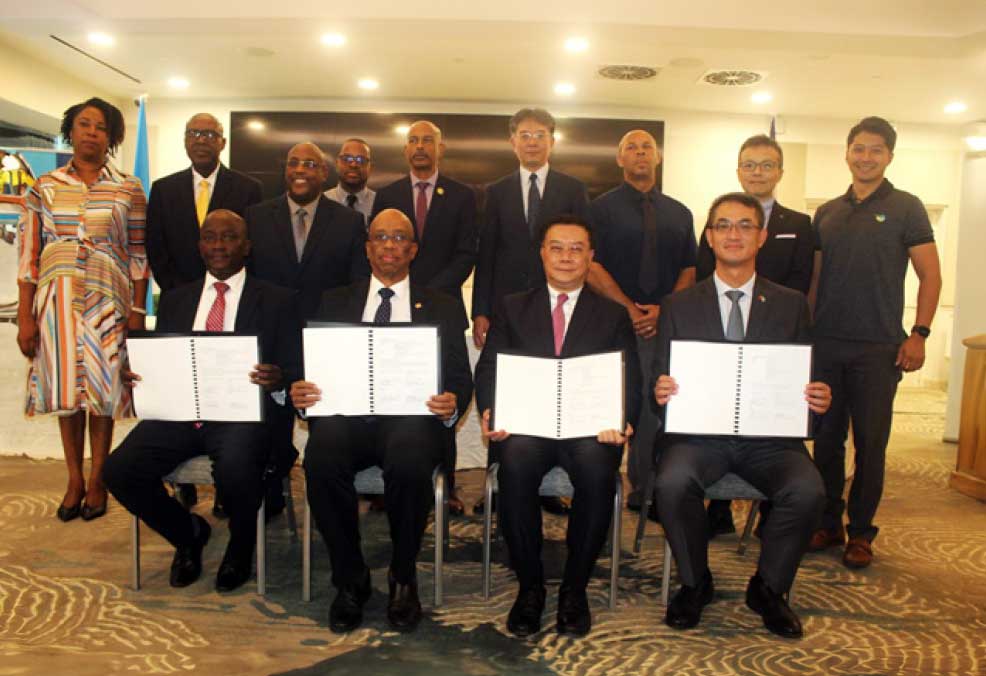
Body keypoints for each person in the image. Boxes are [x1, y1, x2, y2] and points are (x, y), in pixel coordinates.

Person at [652, 192, 830, 638]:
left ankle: (769, 588)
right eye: (724, 225)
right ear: (709, 238)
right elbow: (657, 378)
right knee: (672, 483)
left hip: (770, 441)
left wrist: (817, 399)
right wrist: (661, 390)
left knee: (808, 490)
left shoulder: (791, 305)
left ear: (762, 236)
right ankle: (695, 583)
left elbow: (808, 376)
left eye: (745, 225)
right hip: (699, 438)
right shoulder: (678, 305)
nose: (734, 234)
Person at [291, 209, 472, 634]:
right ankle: (350, 577)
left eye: (400, 238)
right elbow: (310, 370)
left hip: (411, 420)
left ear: (413, 249)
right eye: (381, 237)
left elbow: (460, 376)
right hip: (347, 416)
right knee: (320, 458)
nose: (390, 244)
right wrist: (302, 395)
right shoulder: (334, 301)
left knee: (410, 460)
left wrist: (452, 400)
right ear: (369, 247)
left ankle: (402, 575)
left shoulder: (443, 305)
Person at [105, 210, 300, 591]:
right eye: (210, 238)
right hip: (179, 415)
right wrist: (143, 375)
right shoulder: (176, 300)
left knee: (237, 467)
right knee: (119, 470)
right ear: (200, 247)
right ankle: (188, 534)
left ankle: (241, 548)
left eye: (229, 238)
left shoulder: (278, 301)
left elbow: (296, 368)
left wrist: (279, 377)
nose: (218, 246)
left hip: (243, 416)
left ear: (246, 247)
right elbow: (166, 359)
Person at [474, 214, 639, 637]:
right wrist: (493, 411)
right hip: (527, 426)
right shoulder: (512, 307)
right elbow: (490, 367)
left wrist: (621, 420)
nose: (567, 257)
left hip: (589, 430)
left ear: (591, 258)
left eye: (577, 248)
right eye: (557, 247)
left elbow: (629, 376)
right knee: (516, 466)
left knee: (597, 470)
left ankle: (574, 589)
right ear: (542, 253)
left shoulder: (612, 314)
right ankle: (530, 588)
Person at [807, 116, 941, 569]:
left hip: (879, 347)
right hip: (826, 344)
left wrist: (919, 333)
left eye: (876, 150)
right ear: (846, 153)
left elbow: (930, 275)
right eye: (859, 149)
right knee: (825, 442)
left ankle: (861, 533)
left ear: (889, 156)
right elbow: (817, 279)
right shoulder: (827, 211)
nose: (866, 157)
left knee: (870, 443)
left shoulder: (907, 207)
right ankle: (829, 522)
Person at [15, 97, 148, 523]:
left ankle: (98, 477)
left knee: (103, 392)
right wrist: (24, 315)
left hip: (108, 297)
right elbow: (28, 256)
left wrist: (137, 310)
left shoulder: (128, 187)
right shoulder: (44, 187)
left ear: (111, 138)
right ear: (69, 130)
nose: (91, 132)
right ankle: (73, 478)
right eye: (84, 124)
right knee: (67, 393)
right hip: (56, 298)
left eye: (101, 127)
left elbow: (139, 254)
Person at [471, 107, 589, 515]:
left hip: (557, 305)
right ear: (513, 141)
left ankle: (546, 486)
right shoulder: (497, 190)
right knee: (504, 388)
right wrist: (481, 310)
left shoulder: (573, 188)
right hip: (507, 308)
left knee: (552, 387)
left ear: (553, 140)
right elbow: (486, 253)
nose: (532, 141)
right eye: (525, 134)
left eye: (540, 134)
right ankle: (499, 486)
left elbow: (581, 251)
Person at [696, 134, 814, 536]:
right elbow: (700, 278)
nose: (757, 172)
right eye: (750, 164)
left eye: (766, 165)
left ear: (780, 171)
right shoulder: (716, 218)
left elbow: (802, 282)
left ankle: (770, 514)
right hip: (719, 335)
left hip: (774, 337)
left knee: (763, 421)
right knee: (719, 411)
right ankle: (719, 509)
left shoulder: (799, 223)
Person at [370, 119, 477, 514]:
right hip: (393, 308)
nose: (419, 146)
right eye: (412, 140)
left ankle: (446, 485)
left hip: (441, 308)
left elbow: (468, 252)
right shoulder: (388, 194)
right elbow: (382, 248)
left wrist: (426, 293)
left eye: (427, 140)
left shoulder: (463, 195)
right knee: (392, 389)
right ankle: (389, 482)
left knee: (442, 392)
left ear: (440, 148)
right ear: (404, 150)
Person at [588, 129, 696, 517]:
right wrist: (630, 310)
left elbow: (690, 267)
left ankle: (646, 491)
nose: (639, 153)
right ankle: (598, 483)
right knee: (614, 403)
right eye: (630, 147)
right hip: (614, 324)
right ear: (619, 159)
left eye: (646, 147)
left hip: (664, 325)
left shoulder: (680, 212)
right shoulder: (598, 209)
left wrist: (664, 310)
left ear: (658, 157)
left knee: (655, 407)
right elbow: (591, 265)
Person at [246, 141, 369, 320]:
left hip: (325, 327)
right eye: (293, 163)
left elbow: (358, 282)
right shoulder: (256, 218)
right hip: (269, 326)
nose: (300, 170)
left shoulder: (349, 221)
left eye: (309, 164)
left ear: (324, 173)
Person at [146, 113, 263, 292]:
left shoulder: (248, 189)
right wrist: (177, 290)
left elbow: (252, 247)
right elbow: (155, 248)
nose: (200, 140)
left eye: (209, 135)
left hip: (231, 294)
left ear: (222, 143)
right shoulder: (163, 189)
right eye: (193, 133)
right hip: (177, 296)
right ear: (185, 141)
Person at [324, 138, 375, 225]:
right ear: (337, 163)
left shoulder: (379, 203)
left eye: (361, 160)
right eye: (346, 158)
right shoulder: (322, 202)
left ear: (370, 167)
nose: (353, 164)